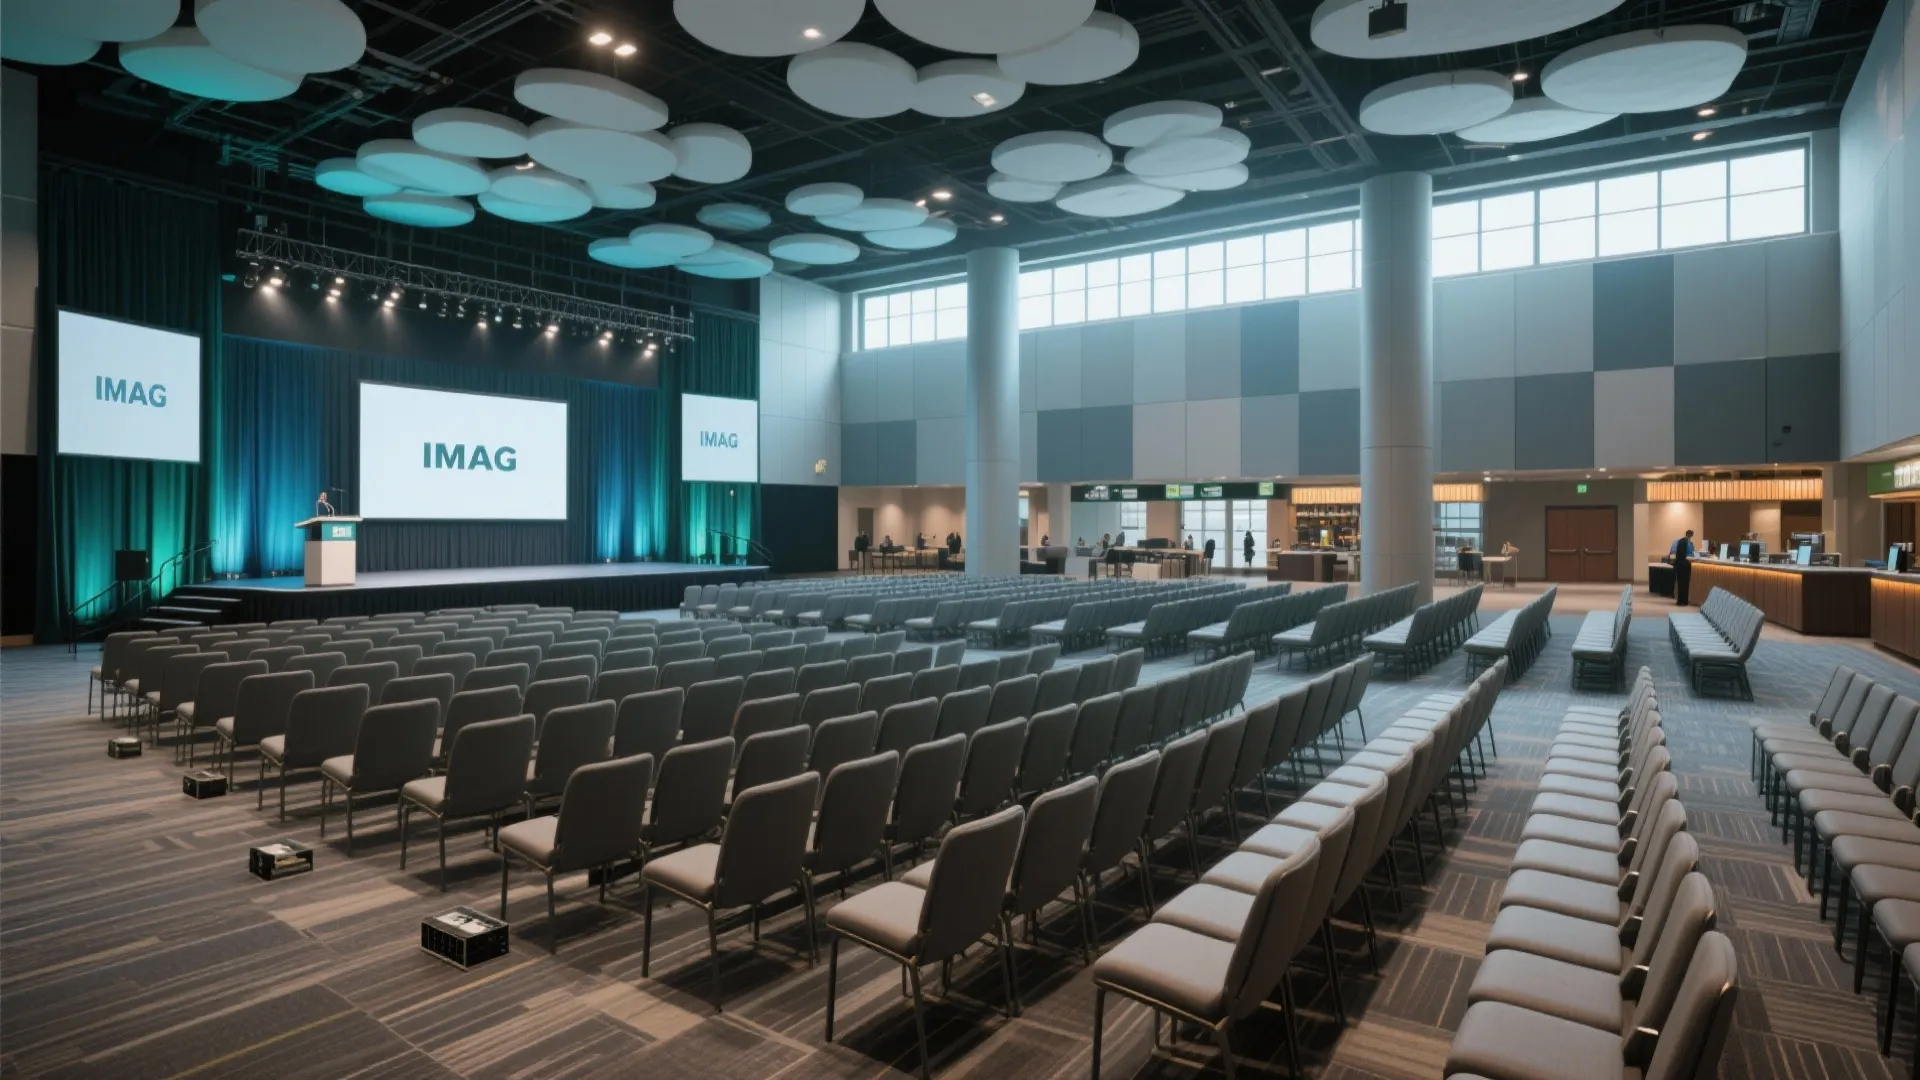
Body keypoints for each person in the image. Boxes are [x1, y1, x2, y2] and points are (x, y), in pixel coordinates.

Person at [1669, 528, 1697, 605]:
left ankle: (1681, 601)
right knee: (1685, 583)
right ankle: (1684, 601)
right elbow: (1689, 554)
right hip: (1685, 565)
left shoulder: (1681, 541)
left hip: (1680, 565)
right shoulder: (1688, 543)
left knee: (1681, 583)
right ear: (1690, 535)